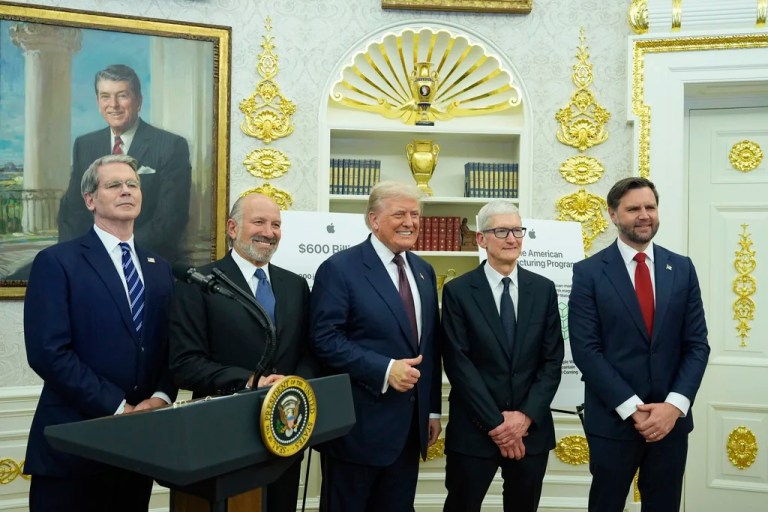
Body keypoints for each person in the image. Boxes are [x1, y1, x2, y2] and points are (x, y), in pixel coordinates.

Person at [23, 154, 177, 512]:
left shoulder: (160, 268)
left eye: (133, 184)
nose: (127, 191)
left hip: (135, 451)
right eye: (114, 185)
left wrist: (160, 397)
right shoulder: (58, 262)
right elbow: (49, 352)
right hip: (74, 449)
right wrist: (119, 407)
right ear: (90, 199)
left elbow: (171, 346)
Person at [568, 177, 710, 512]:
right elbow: (587, 351)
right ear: (613, 215)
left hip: (670, 424)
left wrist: (673, 407)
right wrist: (634, 409)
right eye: (634, 209)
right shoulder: (589, 273)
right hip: (613, 421)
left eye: (650, 207)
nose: (644, 215)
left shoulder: (683, 268)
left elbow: (697, 345)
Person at [169, 192, 316, 511]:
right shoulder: (199, 283)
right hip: (224, 433)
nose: (269, 231)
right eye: (259, 222)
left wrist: (294, 387)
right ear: (232, 228)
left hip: (285, 431)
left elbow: (309, 351)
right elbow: (185, 363)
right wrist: (250, 380)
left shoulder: (295, 285)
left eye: (276, 224)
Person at [309, 181, 442, 512]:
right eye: (399, 214)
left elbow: (430, 345)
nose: (410, 222)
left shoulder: (424, 271)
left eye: (415, 214)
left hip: (410, 431)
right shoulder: (339, 269)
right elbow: (325, 339)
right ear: (373, 219)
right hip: (357, 432)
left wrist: (432, 409)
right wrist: (384, 369)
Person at [440, 199, 564, 512]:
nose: (512, 238)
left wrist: (523, 418)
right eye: (502, 231)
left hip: (530, 432)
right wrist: (497, 425)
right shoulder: (457, 291)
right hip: (474, 431)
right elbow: (459, 364)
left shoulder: (544, 289)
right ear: (481, 239)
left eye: (518, 230)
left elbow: (551, 361)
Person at [58, 64, 191, 263]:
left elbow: (170, 220)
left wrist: (116, 251)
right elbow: (72, 212)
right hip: (87, 258)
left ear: (138, 100)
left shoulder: (170, 146)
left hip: (146, 259)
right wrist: (74, 257)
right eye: (105, 96)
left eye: (122, 95)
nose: (113, 104)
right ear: (97, 101)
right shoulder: (85, 145)